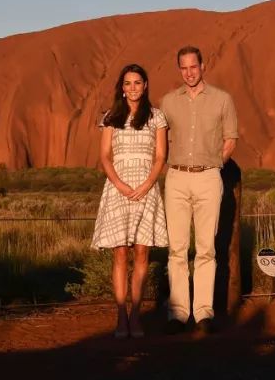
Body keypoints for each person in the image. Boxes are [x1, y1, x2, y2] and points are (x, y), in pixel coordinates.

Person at [160, 45, 238, 336]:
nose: (189, 73)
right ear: (179, 69)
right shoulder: (168, 102)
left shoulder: (222, 100)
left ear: (203, 66)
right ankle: (178, 313)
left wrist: (216, 164)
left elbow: (230, 138)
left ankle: (203, 312)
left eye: (193, 67)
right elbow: (161, 139)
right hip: (177, 177)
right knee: (177, 249)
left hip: (208, 177)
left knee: (206, 248)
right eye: (183, 68)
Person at [91, 64, 169, 339]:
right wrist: (120, 184)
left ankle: (136, 315)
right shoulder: (111, 117)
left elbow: (160, 156)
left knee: (142, 253)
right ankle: (120, 315)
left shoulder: (157, 117)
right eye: (128, 83)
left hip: (146, 189)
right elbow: (104, 157)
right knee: (120, 254)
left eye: (137, 82)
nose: (133, 88)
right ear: (121, 88)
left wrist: (147, 184)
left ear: (145, 85)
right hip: (118, 189)